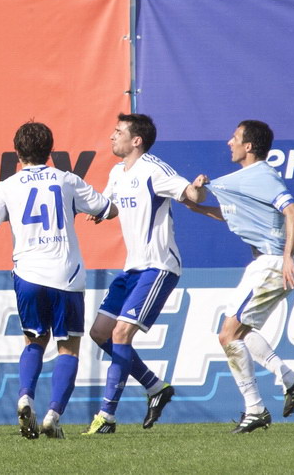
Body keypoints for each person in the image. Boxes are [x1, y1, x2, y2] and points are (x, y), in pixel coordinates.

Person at [0, 121, 118, 440]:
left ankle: (25, 397)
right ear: (50, 151)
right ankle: (53, 415)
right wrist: (102, 211)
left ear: (17, 152)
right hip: (66, 276)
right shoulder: (67, 180)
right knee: (68, 348)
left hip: (27, 276)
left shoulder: (6, 186)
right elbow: (108, 209)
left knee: (33, 341)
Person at [185, 120, 294, 433]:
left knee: (227, 335)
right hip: (263, 264)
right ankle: (293, 380)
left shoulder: (262, 175)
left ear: (249, 147)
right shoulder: (246, 180)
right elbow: (229, 211)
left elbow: (293, 213)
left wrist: (285, 257)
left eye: (235, 138)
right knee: (240, 332)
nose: (229, 142)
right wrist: (197, 206)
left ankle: (255, 409)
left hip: (271, 263)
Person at [83, 113, 208, 435]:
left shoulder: (154, 169)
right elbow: (111, 206)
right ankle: (155, 386)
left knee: (121, 334)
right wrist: (96, 212)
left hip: (158, 266)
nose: (112, 137)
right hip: (132, 268)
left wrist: (197, 189)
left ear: (136, 140)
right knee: (99, 333)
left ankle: (106, 417)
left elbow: (190, 195)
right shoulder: (116, 172)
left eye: (118, 132)